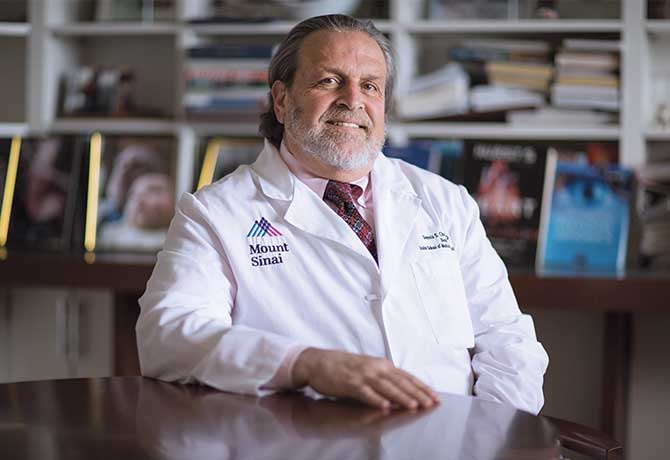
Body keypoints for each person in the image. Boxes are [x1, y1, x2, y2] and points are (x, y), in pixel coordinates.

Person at [136, 14, 549, 415]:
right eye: (329, 81)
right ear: (281, 100)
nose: (353, 100)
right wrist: (306, 364)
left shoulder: (444, 200)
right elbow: (167, 336)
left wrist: (496, 434)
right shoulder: (214, 214)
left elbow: (506, 338)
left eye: (370, 86)